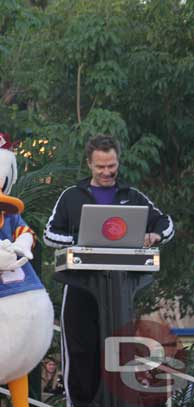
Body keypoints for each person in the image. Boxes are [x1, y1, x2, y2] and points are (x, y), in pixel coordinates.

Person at [43, 134, 174, 407]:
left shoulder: (133, 196)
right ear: (90, 164)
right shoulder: (72, 196)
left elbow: (166, 223)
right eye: (100, 167)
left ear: (118, 162)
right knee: (81, 355)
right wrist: (80, 243)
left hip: (120, 288)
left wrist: (154, 236)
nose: (106, 172)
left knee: (118, 353)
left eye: (111, 166)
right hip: (80, 288)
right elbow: (50, 235)